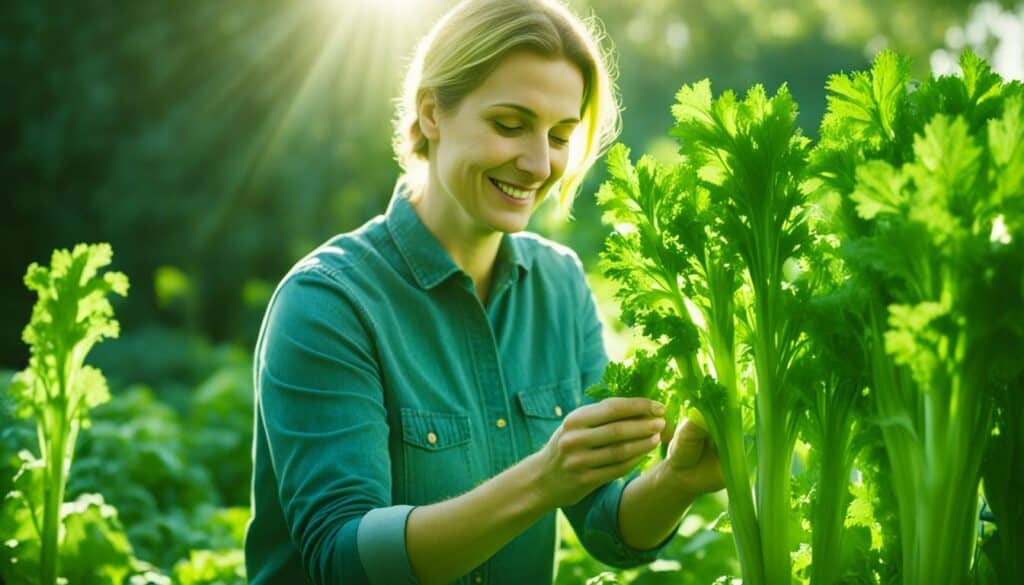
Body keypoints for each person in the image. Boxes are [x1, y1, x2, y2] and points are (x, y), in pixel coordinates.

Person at [244, 0, 724, 583]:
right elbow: (343, 559)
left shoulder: (560, 285)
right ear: (430, 114)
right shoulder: (329, 302)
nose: (537, 161)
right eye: (509, 124)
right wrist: (544, 477)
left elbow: (606, 523)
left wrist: (673, 482)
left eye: (561, 135)